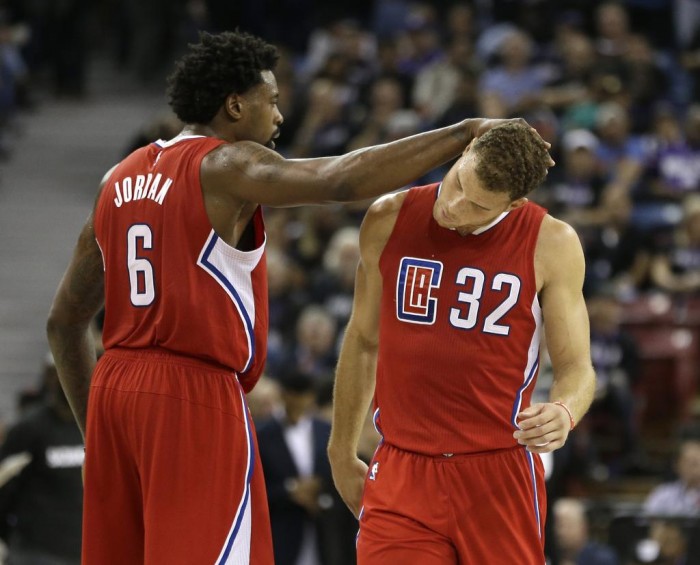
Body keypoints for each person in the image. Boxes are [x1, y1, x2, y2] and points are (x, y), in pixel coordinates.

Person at [45, 29, 521, 565]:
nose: (278, 117)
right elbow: (338, 180)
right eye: (270, 102)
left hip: (113, 391)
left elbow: (64, 322)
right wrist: (463, 133)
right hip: (190, 389)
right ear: (234, 104)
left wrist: (98, 436)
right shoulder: (226, 165)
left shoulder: (117, 179)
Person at [328, 121, 596, 564]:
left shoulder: (551, 243)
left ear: (514, 203)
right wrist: (341, 450)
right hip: (401, 467)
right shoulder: (388, 217)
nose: (454, 205)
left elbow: (577, 368)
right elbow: (361, 340)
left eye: (476, 205)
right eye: (457, 182)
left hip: (498, 470)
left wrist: (564, 411)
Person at [0, 355, 84, 565]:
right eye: (59, 372)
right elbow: (4, 485)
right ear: (49, 377)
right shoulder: (29, 428)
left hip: (81, 549)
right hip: (35, 552)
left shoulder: (93, 425)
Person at [552, 498, 618, 565]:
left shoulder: (602, 557)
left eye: (567, 526)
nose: (561, 532)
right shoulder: (552, 555)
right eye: (558, 526)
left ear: (583, 527)